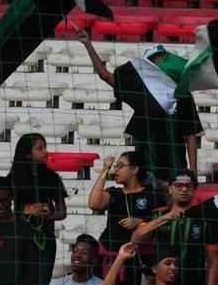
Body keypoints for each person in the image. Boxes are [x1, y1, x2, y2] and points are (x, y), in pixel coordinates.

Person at [81, 31, 203, 184]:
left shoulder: (183, 96)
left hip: (174, 173)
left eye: (161, 59)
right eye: (155, 61)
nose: (160, 64)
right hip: (145, 172)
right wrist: (87, 44)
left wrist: (192, 173)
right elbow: (105, 75)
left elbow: (190, 135)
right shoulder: (140, 93)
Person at [8, 133, 68, 285]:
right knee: (20, 283)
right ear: (27, 153)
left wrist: (49, 214)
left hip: (44, 238)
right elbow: (2, 212)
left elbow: (62, 212)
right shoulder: (12, 179)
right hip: (19, 239)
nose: (46, 152)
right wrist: (26, 210)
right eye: (40, 148)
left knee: (42, 284)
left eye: (45, 146)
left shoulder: (52, 177)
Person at [88, 150, 160, 285]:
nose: (116, 170)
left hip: (137, 258)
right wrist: (105, 170)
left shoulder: (152, 195)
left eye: (120, 166)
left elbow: (161, 222)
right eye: (115, 166)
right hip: (109, 255)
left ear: (134, 169)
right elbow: (94, 204)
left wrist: (141, 222)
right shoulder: (114, 193)